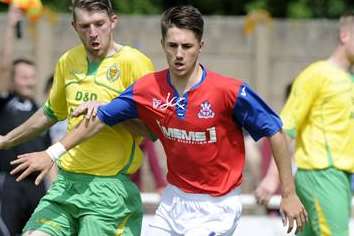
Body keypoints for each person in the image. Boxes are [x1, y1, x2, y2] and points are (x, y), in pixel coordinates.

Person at [11, 5, 308, 236]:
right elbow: (100, 119)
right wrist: (53, 153)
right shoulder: (147, 88)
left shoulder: (229, 91)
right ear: (163, 44)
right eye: (172, 46)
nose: (179, 55)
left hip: (216, 205)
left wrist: (289, 193)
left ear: (201, 46)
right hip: (174, 200)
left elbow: (276, 131)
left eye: (187, 47)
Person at [0, 0, 154, 235]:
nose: (93, 33)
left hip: (107, 188)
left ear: (113, 22)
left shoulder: (134, 63)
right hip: (66, 183)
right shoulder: (68, 61)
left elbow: (153, 130)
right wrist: (6, 140)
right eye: (84, 26)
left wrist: (109, 111)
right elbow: (50, 112)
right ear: (74, 26)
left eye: (99, 24)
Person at [255, 12, 354, 236]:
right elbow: (286, 128)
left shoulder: (350, 80)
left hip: (340, 178)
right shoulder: (316, 74)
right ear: (345, 35)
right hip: (321, 175)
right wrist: (272, 179)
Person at [0, 4, 52, 236]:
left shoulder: (39, 112)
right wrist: (11, 26)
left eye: (32, 77)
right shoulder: (5, 104)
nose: (29, 82)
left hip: (37, 187)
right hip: (9, 185)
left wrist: (52, 190)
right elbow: (3, 65)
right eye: (23, 77)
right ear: (12, 80)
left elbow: (50, 153)